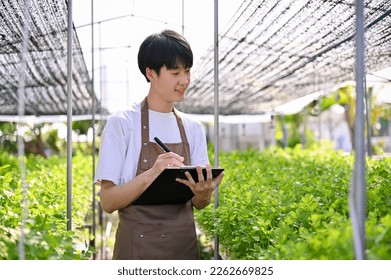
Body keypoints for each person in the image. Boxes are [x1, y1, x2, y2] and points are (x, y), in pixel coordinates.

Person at [94, 29, 224, 260]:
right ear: (151, 73)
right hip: (137, 251)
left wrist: (204, 194)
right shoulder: (122, 124)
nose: (184, 80)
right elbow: (108, 201)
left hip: (183, 249)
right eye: (175, 72)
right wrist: (152, 173)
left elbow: (199, 203)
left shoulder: (193, 128)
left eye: (187, 71)